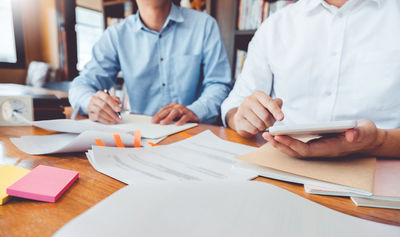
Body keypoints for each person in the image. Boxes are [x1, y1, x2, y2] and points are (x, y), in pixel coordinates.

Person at [221, 0, 400, 158]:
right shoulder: (276, 25)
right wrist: (240, 118)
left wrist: (377, 141)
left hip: (380, 168)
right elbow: (234, 105)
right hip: (282, 162)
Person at [69, 0, 231, 126]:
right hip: (141, 135)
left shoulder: (204, 25)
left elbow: (219, 84)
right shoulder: (116, 35)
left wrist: (196, 110)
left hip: (192, 131)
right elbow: (81, 85)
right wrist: (91, 102)